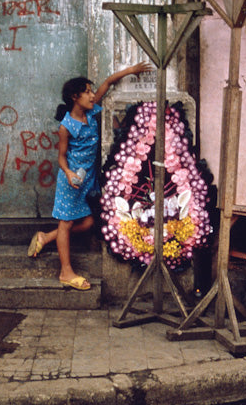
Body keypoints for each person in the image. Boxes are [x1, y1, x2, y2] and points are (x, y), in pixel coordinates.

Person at [27, 62, 153, 290]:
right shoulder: (66, 126)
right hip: (72, 181)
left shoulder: (91, 111)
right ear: (75, 97)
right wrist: (67, 173)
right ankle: (65, 272)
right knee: (66, 224)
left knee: (89, 222)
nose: (93, 95)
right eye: (87, 92)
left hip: (90, 179)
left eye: (91, 91)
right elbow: (61, 157)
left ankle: (46, 237)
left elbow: (106, 83)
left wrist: (129, 71)